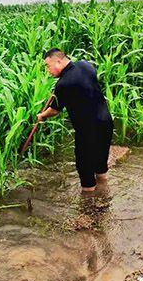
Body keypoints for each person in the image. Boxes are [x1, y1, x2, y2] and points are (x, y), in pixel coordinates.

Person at [37, 48, 113, 192]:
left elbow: (54, 110)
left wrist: (42, 116)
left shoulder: (63, 84)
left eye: (48, 66)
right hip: (106, 122)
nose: (48, 70)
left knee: (85, 171)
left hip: (88, 131)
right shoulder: (86, 65)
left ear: (58, 61)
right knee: (100, 166)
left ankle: (89, 207)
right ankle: (104, 194)